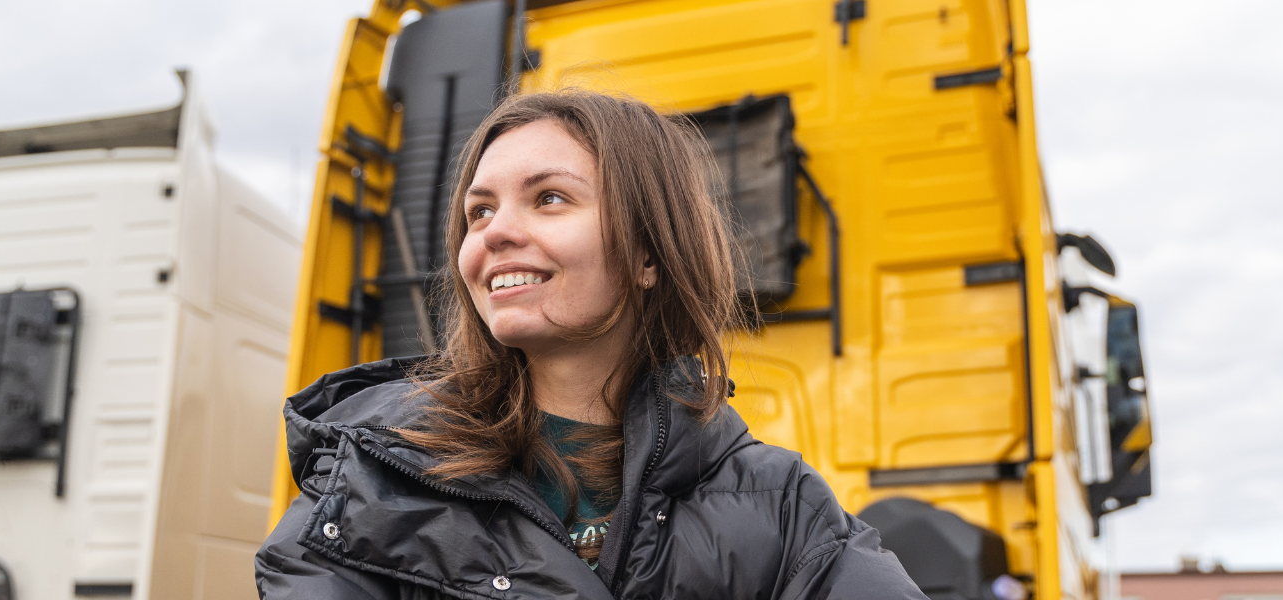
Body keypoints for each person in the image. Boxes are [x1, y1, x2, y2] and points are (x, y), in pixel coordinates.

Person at [255, 91, 925, 600]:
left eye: (548, 199)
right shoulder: (370, 481)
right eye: (479, 211)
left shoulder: (781, 505)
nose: (494, 233)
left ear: (647, 254)